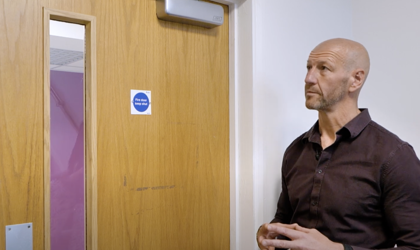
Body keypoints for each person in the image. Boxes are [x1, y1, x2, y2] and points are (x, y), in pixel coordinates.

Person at [256, 38, 420, 250]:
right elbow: (284, 219)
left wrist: (337, 249)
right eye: (308, 68)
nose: (309, 78)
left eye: (324, 68)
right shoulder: (295, 151)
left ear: (356, 80)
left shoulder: (394, 156)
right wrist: (271, 233)